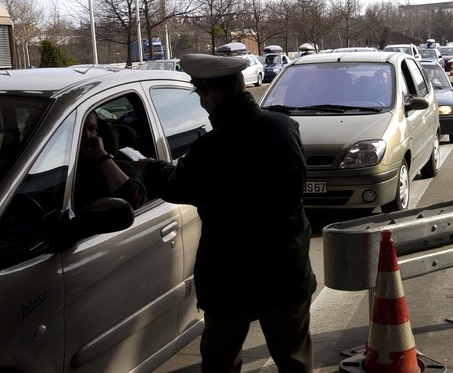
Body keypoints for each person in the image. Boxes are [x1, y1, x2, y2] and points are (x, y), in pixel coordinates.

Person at [134, 53, 317, 373]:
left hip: (230, 278)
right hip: (286, 270)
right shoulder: (286, 127)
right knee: (295, 359)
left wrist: (149, 167)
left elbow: (178, 186)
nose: (202, 105)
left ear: (213, 95)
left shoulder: (210, 148)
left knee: (221, 360)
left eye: (201, 97)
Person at [75, 110, 146, 212]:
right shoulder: (62, 169)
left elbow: (133, 200)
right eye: (79, 130)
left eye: (91, 129)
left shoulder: (122, 168)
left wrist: (102, 155)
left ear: (98, 133)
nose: (86, 136)